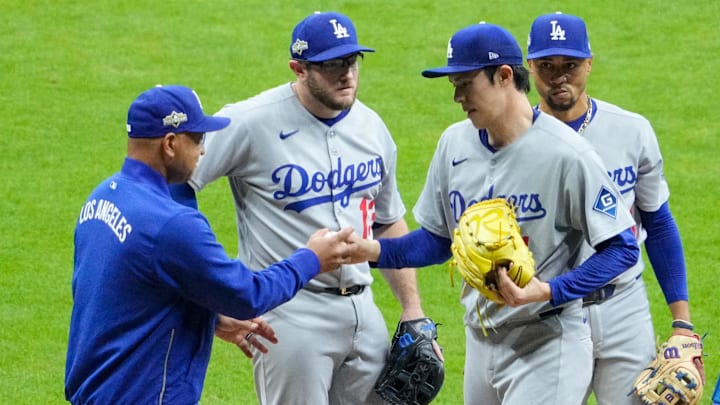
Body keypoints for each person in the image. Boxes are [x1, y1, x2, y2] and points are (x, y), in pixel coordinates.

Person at [345, 22, 641, 405]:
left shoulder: (568, 155)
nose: (457, 97)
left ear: (504, 76)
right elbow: (438, 241)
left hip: (548, 343)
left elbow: (622, 249)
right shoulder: (454, 143)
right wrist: (373, 251)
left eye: (465, 83)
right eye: (454, 85)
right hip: (481, 340)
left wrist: (549, 290)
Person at [169, 11, 431, 405]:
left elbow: (388, 221)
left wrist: (413, 308)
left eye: (352, 61)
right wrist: (210, 292)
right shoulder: (249, 121)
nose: (346, 74)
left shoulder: (372, 127)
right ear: (299, 69)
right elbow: (174, 187)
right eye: (331, 65)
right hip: (289, 314)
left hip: (364, 309)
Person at [65, 85, 359, 404]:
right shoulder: (172, 224)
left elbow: (126, 289)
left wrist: (210, 318)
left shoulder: (103, 198)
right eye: (198, 139)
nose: (203, 151)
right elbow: (248, 294)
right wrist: (311, 259)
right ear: (170, 144)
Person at [525, 12, 703, 404]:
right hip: (550, 314)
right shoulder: (515, 141)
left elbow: (658, 223)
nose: (559, 77)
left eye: (570, 65)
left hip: (624, 308)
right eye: (547, 66)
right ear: (529, 66)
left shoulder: (631, 131)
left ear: (589, 62)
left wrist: (682, 321)